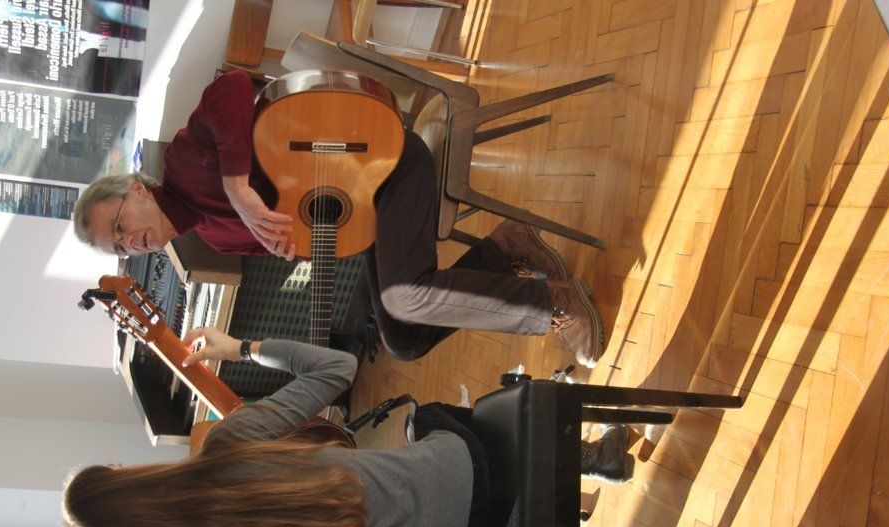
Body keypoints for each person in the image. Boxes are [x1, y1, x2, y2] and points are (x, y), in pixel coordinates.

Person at [62, 328, 646, 527]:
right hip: (465, 473)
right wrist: (241, 347)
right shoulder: (228, 443)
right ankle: (597, 458)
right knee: (431, 420)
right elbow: (338, 368)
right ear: (128, 478)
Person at [70, 70, 606, 367]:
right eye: (120, 248)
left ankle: (556, 304)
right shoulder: (212, 237)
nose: (130, 241)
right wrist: (297, 245)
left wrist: (236, 185)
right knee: (402, 341)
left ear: (136, 189)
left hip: (381, 160)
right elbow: (304, 230)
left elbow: (229, 86)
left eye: (119, 225)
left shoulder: (185, 162)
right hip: (364, 209)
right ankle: (505, 249)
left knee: (406, 296)